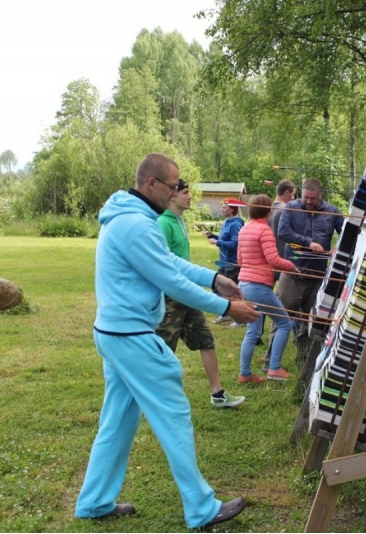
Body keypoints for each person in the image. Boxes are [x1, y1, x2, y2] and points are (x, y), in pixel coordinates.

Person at [75, 153, 259, 529]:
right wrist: (226, 307)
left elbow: (170, 263)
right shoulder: (136, 226)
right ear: (152, 184)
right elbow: (171, 282)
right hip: (130, 336)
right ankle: (202, 508)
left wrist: (214, 279)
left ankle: (94, 502)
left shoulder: (131, 218)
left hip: (114, 333)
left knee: (117, 420)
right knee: (173, 415)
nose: (179, 191)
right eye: (175, 185)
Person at [156, 179, 246, 408]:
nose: (190, 197)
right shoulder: (163, 224)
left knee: (205, 339)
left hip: (187, 293)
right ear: (172, 196)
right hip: (170, 297)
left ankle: (218, 394)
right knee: (164, 347)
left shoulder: (178, 221)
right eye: (186, 193)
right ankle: (154, 396)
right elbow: (162, 264)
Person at [263, 178, 343, 372]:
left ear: (320, 195)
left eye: (312, 199)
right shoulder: (291, 207)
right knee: (281, 318)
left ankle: (305, 361)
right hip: (292, 273)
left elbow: (349, 234)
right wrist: (308, 242)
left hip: (317, 277)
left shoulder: (332, 212)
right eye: (305, 197)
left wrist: (338, 248)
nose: (308, 201)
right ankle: (270, 362)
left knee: (311, 321)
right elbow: (283, 232)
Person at [235, 194, 299, 383]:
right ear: (267, 210)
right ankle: (274, 368)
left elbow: (240, 260)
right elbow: (273, 260)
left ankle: (245, 374)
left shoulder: (244, 229)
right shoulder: (264, 230)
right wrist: (292, 267)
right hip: (258, 287)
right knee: (285, 324)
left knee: (252, 331)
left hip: (243, 284)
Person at [205, 199, 244, 325]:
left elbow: (235, 244)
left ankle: (240, 319)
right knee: (217, 286)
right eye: (222, 207)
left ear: (232, 209)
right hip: (224, 261)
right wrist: (213, 236)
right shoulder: (227, 222)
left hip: (232, 263)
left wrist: (218, 242)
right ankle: (226, 313)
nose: (221, 209)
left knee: (232, 291)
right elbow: (224, 238)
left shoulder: (236, 224)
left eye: (224, 207)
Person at [270, 179, 297, 259]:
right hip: (281, 257)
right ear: (287, 193)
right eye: (293, 194)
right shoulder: (285, 210)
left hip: (270, 256)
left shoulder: (268, 209)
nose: (293, 198)